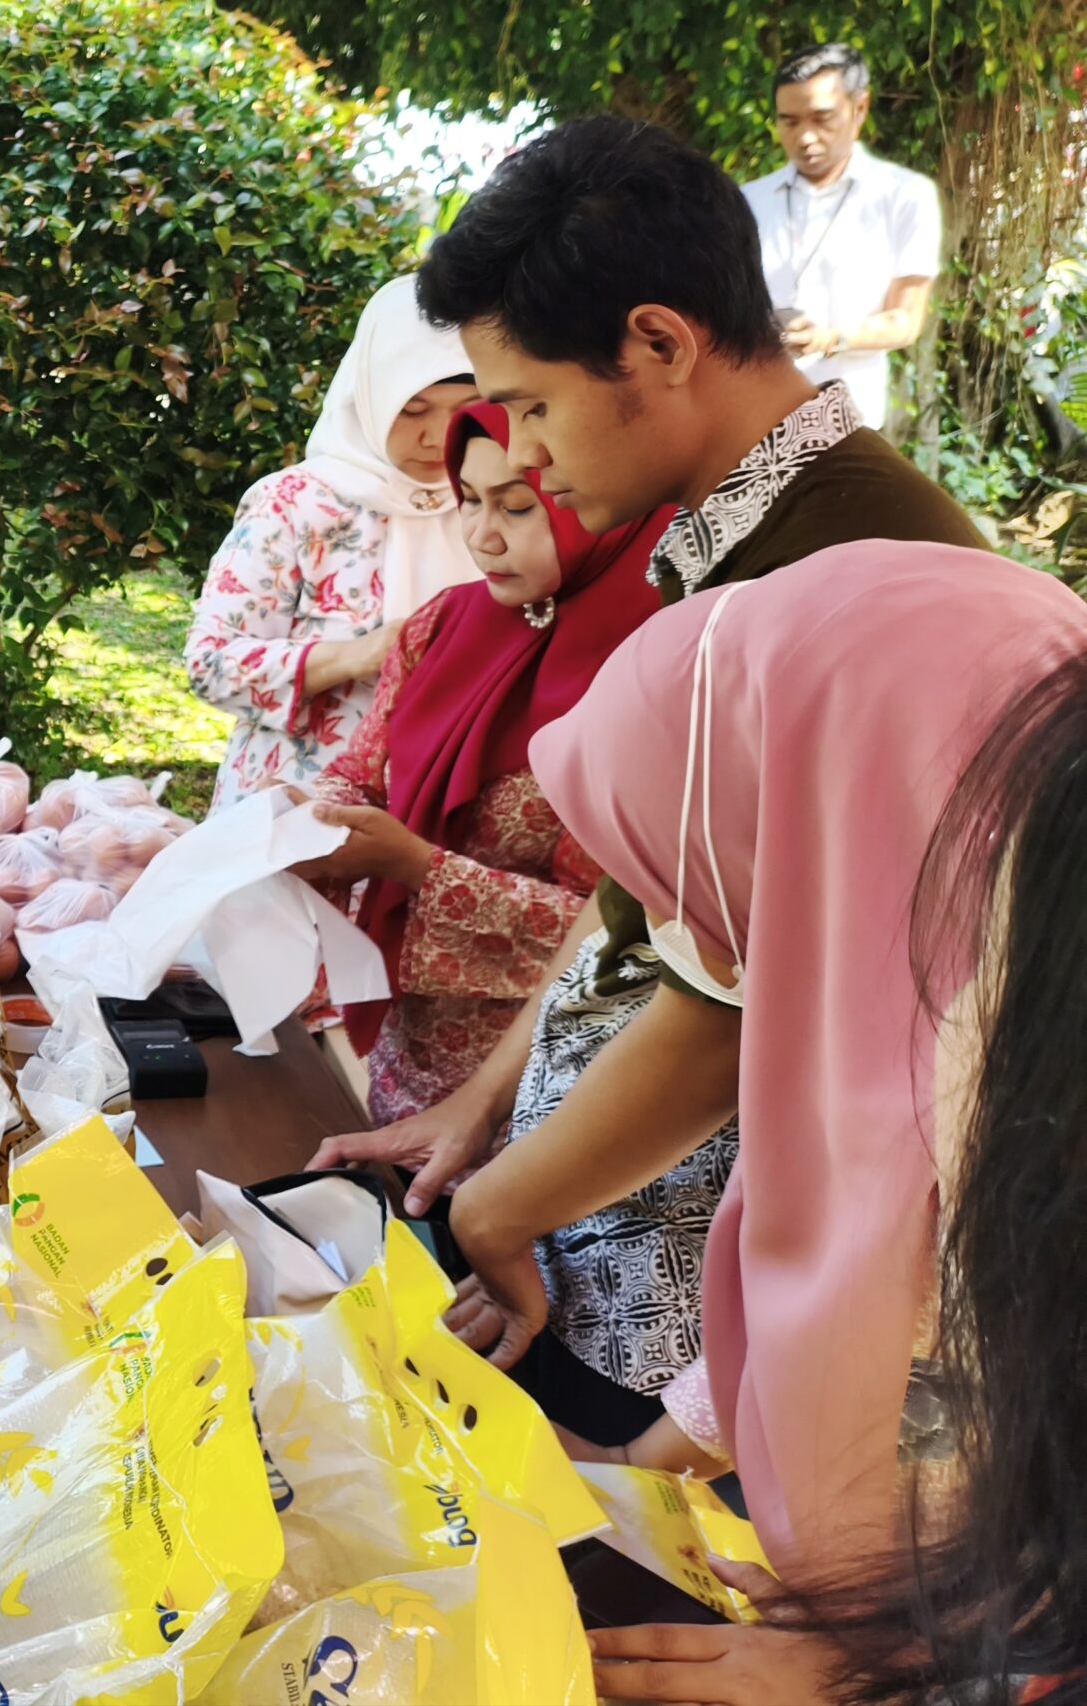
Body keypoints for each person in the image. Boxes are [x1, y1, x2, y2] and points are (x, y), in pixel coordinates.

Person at [308, 117, 986, 1434]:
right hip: (584, 1218)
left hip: (698, 1286)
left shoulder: (843, 578)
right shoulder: (735, 537)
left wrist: (506, 1204)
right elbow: (649, 902)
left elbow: (733, 1004)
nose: (527, 454)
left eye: (537, 405)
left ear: (660, 345)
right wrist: (480, 1111)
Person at [505, 546, 1087, 1637]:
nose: (697, 941)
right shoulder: (943, 985)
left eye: (696, 876)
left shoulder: (1018, 1083)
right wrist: (640, 1468)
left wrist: (915, 1663)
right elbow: (847, 1276)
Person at [292, 402, 666, 1127]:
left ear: (593, 502)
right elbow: (365, 768)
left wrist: (416, 866)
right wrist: (313, 813)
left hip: (549, 1088)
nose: (482, 535)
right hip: (406, 1056)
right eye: (469, 501)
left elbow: (624, 932)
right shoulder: (446, 625)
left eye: (518, 507)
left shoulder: (650, 675)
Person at [185, 275, 480, 805]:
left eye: (465, 412)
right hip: (295, 806)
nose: (438, 438)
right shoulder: (296, 504)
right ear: (369, 394)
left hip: (435, 814)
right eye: (413, 410)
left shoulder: (493, 500)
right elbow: (211, 664)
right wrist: (354, 656)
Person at [742, 43, 942, 433]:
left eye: (822, 118)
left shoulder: (903, 196)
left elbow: (906, 319)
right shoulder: (747, 201)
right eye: (790, 121)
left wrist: (830, 338)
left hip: (850, 426)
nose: (805, 138)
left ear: (860, 109)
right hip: (755, 425)